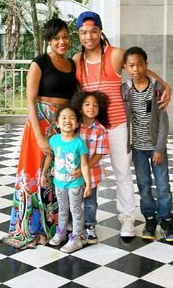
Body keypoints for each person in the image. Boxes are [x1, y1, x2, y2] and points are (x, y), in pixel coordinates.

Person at [73, 11, 171, 238]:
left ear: (100, 31)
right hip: (92, 128)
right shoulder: (78, 61)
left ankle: (127, 219)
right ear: (78, 34)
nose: (89, 36)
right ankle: (85, 222)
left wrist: (165, 85)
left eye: (93, 31)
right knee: (86, 172)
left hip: (117, 126)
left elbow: (139, 66)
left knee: (122, 173)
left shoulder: (115, 55)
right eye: (83, 32)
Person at [2, 18, 77, 249]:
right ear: (49, 41)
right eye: (56, 38)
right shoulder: (39, 63)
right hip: (40, 126)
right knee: (35, 173)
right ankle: (32, 227)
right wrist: (39, 136)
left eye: (65, 37)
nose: (62, 42)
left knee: (60, 175)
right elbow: (30, 101)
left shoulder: (72, 64)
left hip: (63, 125)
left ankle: (58, 225)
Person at [122, 46, 173, 242]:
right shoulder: (125, 89)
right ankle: (150, 218)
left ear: (146, 65)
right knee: (144, 185)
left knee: (163, 185)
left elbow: (163, 122)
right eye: (131, 65)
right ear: (125, 67)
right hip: (137, 148)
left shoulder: (157, 89)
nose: (136, 69)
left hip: (156, 148)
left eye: (140, 64)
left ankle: (166, 219)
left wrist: (160, 148)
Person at [41, 105, 92, 253]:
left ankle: (76, 238)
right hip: (59, 183)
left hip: (75, 184)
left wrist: (88, 184)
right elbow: (49, 157)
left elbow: (84, 164)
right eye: (63, 118)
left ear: (77, 123)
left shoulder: (79, 143)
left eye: (71, 118)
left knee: (76, 210)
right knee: (63, 209)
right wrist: (44, 173)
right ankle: (61, 232)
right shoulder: (54, 140)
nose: (67, 121)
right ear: (57, 123)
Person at [71, 91, 110, 244]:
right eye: (87, 104)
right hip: (73, 173)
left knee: (90, 202)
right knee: (73, 200)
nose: (91, 107)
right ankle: (74, 225)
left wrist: (84, 168)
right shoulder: (75, 127)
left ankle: (90, 226)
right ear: (80, 108)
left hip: (92, 173)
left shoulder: (101, 130)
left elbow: (99, 154)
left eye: (95, 105)